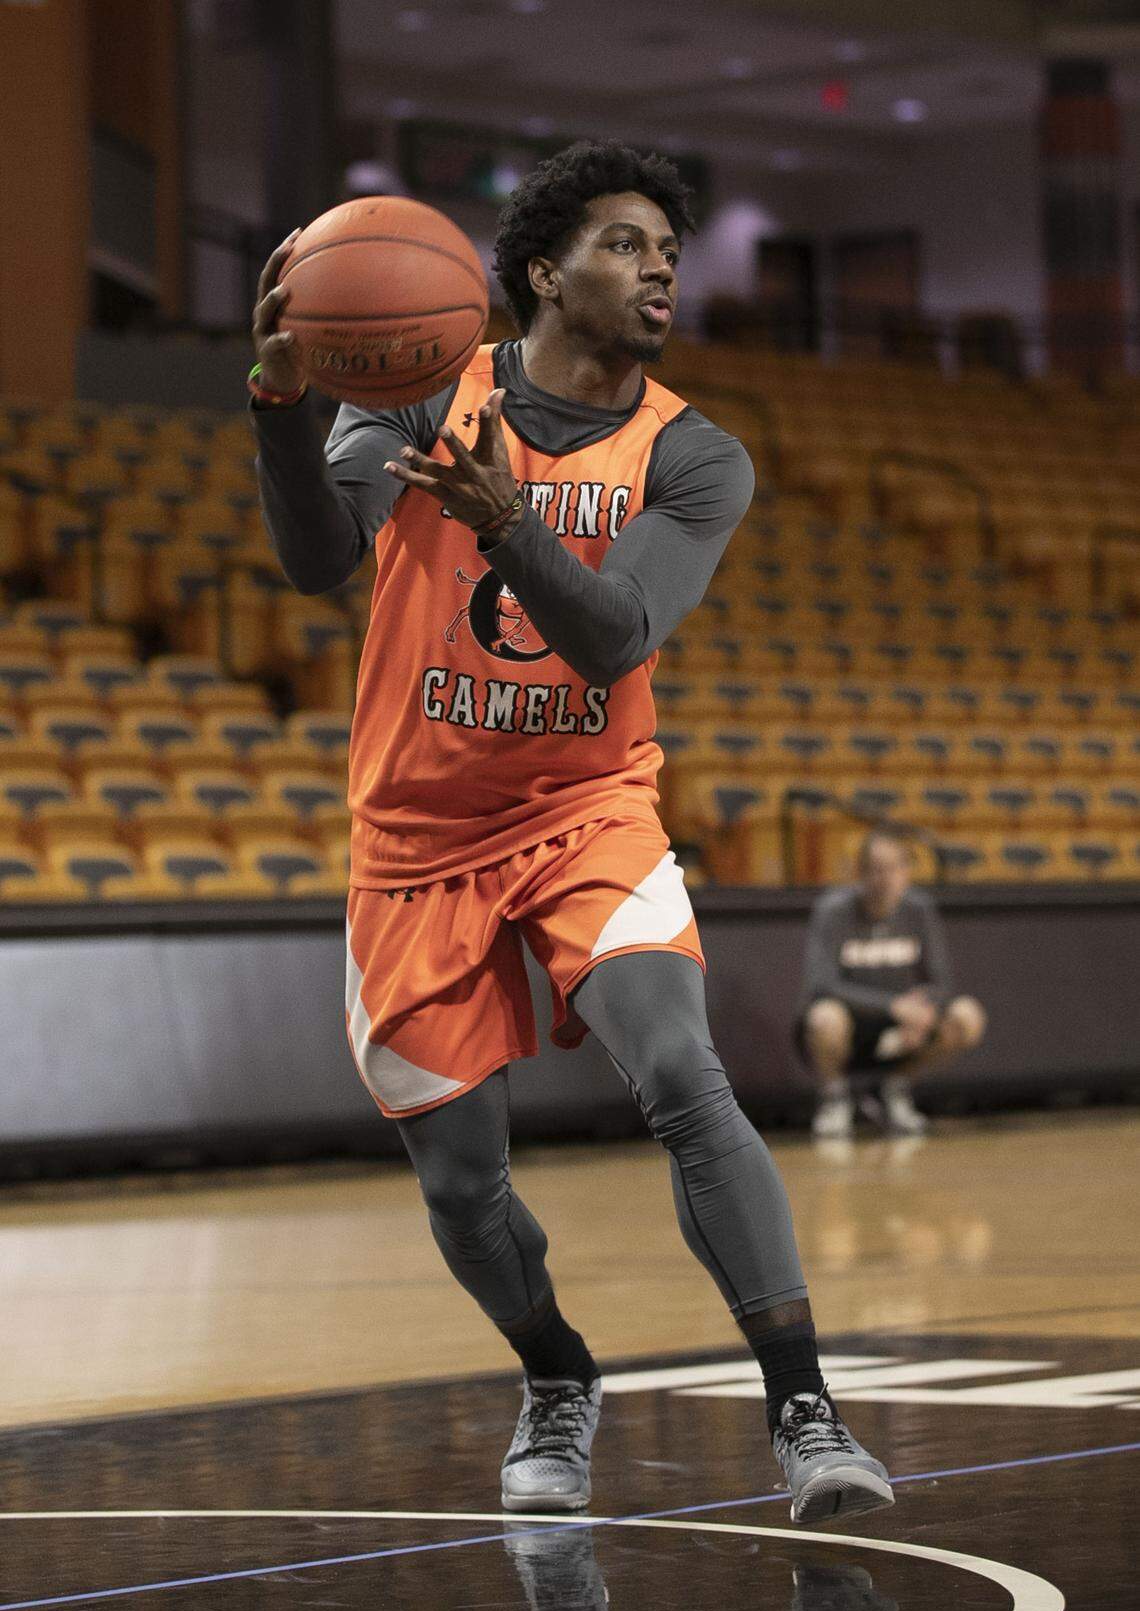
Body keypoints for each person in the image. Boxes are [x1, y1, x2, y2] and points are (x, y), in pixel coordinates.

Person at [250, 140, 892, 1526]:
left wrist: (509, 520)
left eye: (667, 244)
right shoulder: (421, 385)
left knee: (682, 1067)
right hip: (414, 836)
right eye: (622, 241)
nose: (658, 263)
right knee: (466, 1184)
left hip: (583, 806)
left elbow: (615, 634)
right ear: (543, 271)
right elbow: (315, 564)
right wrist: (275, 408)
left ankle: (805, 1406)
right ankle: (556, 1374)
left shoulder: (693, 452)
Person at [796, 830, 987, 1139]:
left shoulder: (919, 910)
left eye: (896, 868)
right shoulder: (833, 911)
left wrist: (923, 1010)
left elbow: (941, 982)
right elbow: (822, 984)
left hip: (903, 1033)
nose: (886, 878)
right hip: (851, 1027)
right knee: (824, 1017)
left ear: (907, 872)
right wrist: (894, 1007)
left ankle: (894, 1091)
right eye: (877, 869)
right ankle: (835, 1098)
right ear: (860, 873)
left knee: (967, 1016)